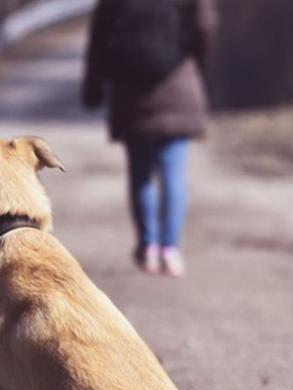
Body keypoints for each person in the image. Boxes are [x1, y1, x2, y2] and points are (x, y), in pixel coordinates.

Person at [81, 0, 219, 277]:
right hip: (178, 83)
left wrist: (93, 87)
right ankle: (170, 248)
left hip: (131, 92)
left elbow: (99, 38)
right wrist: (196, 64)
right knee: (173, 174)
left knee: (140, 174)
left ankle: (148, 248)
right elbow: (206, 25)